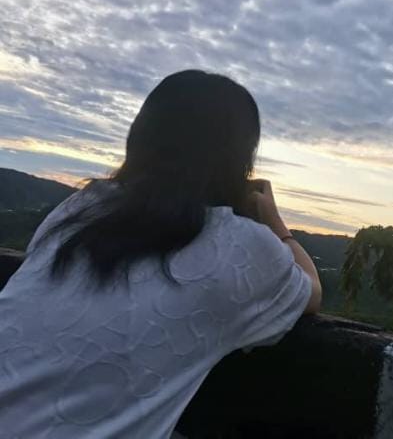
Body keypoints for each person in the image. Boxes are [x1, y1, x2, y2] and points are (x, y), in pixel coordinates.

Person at [0, 70, 322, 438]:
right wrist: (275, 223)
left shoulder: (80, 209)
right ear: (239, 159)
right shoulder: (241, 246)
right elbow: (312, 290)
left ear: (139, 137)